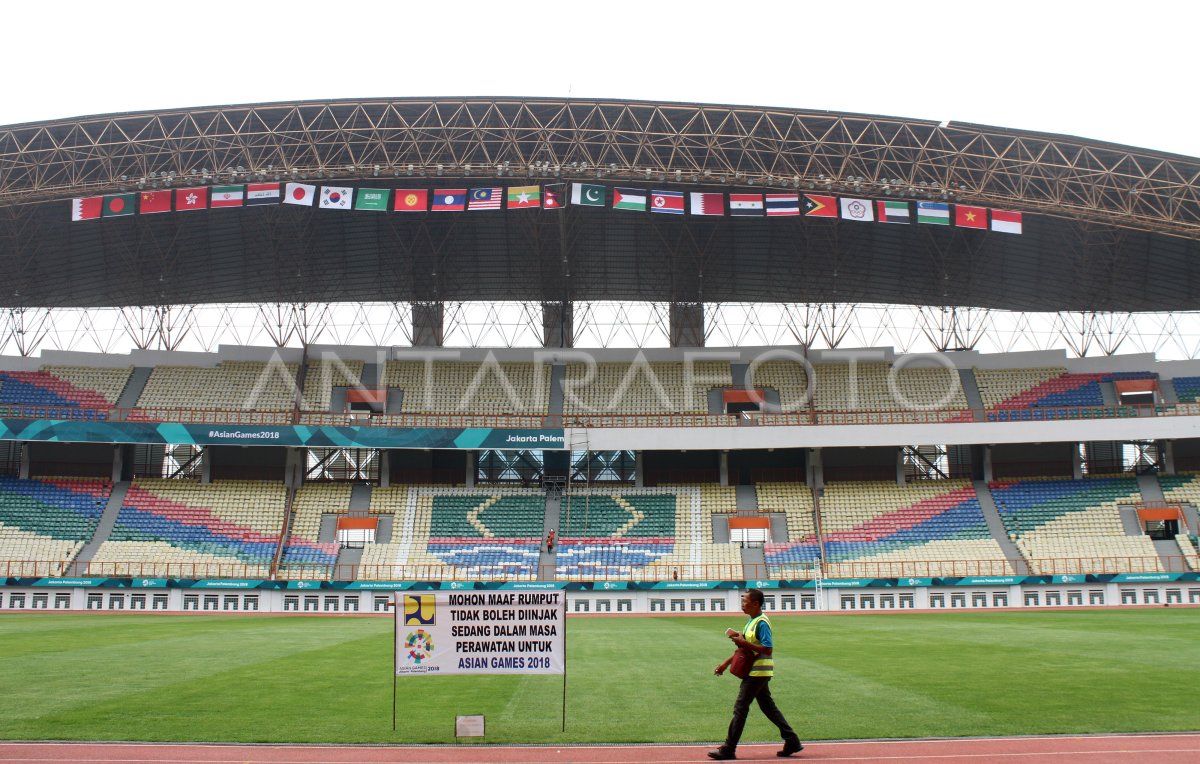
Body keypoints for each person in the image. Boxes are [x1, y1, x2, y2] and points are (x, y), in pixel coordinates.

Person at [709, 588, 802, 760]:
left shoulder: (762, 623)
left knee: (741, 707)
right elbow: (745, 648)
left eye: (744, 600)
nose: (742, 604)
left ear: (755, 604)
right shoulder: (751, 621)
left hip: (757, 672)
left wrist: (744, 642)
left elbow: (768, 648)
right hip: (757, 671)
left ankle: (729, 748)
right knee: (768, 707)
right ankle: (792, 740)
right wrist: (725, 664)